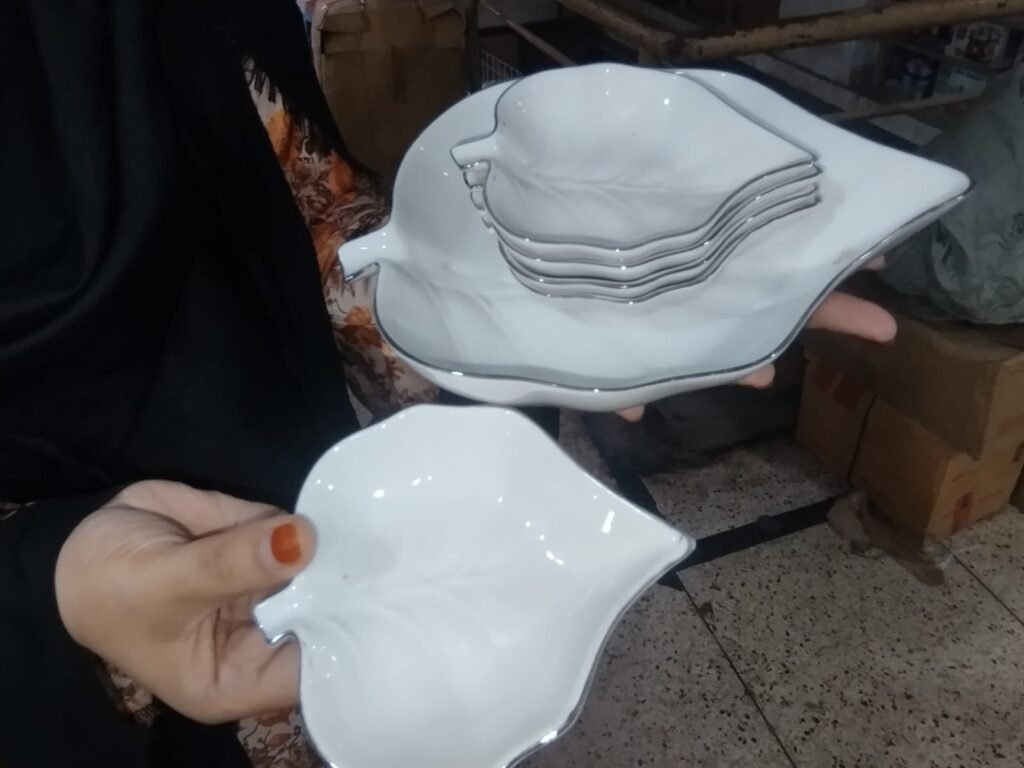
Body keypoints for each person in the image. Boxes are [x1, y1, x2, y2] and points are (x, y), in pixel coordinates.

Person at [0, 1, 897, 766]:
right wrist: (52, 590)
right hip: (105, 639)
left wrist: (477, 289)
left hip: (297, 486)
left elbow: (287, 180)